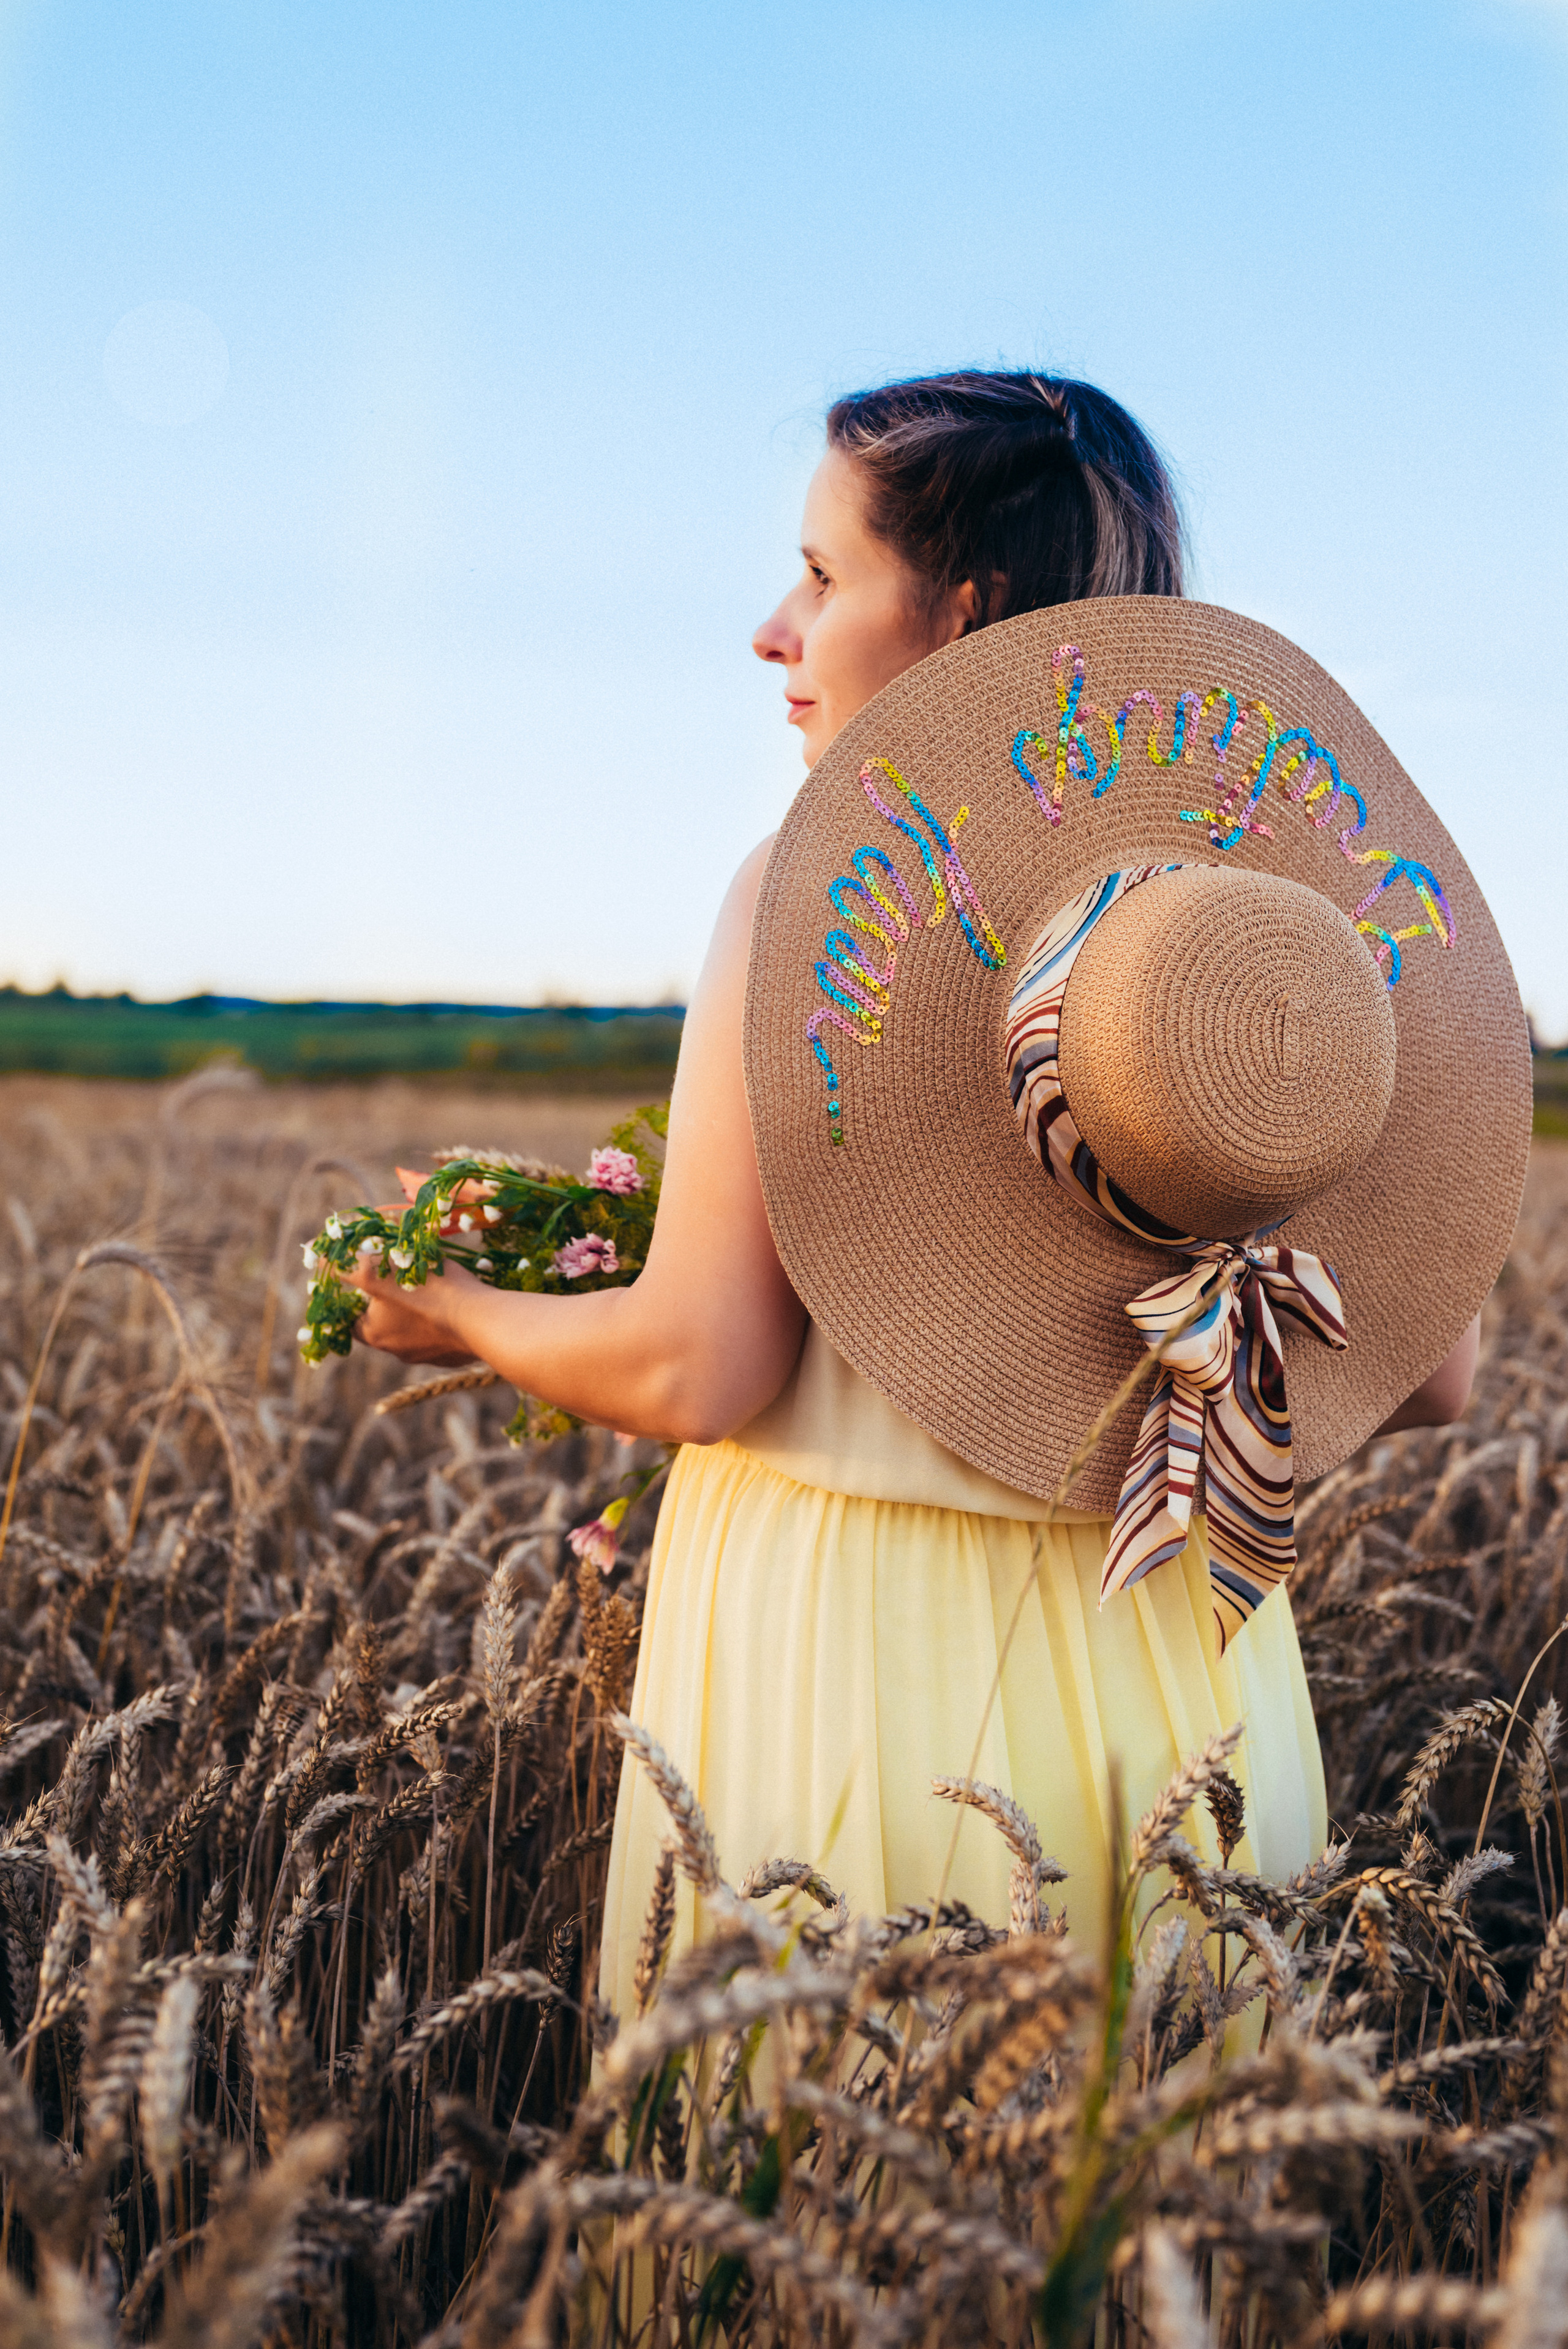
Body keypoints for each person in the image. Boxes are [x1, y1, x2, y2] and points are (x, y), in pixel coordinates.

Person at [342, 371, 1510, 2007]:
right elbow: (1433, 1369)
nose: (775, 628)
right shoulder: (1270, 941)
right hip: (1193, 1691)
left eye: (823, 576)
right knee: (1148, 2209)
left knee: (819, 2213)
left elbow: (699, 1363)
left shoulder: (812, 889)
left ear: (968, 607)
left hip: (861, 1680)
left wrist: (457, 1308)